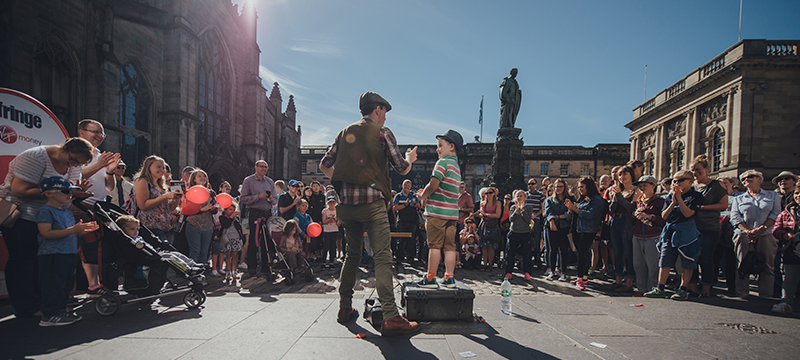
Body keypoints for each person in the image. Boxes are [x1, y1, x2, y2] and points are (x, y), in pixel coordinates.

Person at [319, 91, 420, 335]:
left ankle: (344, 308)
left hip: (346, 207)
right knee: (383, 257)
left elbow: (324, 165)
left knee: (351, 256)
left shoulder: (345, 133)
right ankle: (391, 317)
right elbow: (402, 168)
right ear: (377, 109)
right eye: (384, 111)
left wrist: (345, 180)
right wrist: (410, 158)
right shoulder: (382, 132)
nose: (385, 117)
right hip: (373, 205)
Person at [0, 138, 93, 318]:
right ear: (64, 149)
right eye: (73, 160)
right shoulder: (36, 157)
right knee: (23, 260)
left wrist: (74, 193)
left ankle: (45, 304)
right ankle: (25, 307)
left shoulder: (73, 165)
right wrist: (59, 191)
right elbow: (19, 190)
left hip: (51, 217)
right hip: (23, 216)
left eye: (79, 164)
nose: (74, 165)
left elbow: (67, 191)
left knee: (43, 263)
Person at [36, 176, 98, 326]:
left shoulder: (67, 212)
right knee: (53, 285)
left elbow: (71, 232)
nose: (69, 195)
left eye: (71, 192)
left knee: (67, 284)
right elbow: (46, 233)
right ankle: (50, 315)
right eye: (65, 191)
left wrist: (83, 230)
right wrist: (74, 229)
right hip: (53, 254)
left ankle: (61, 310)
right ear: (49, 193)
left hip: (68, 253)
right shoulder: (45, 211)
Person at [74, 120, 121, 298]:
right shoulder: (76, 152)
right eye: (95, 132)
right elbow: (73, 177)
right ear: (81, 132)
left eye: (102, 133)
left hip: (97, 207)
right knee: (82, 247)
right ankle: (77, 289)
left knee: (93, 247)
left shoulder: (100, 154)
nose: (99, 136)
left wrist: (109, 171)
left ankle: (94, 285)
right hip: (78, 205)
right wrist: (99, 165)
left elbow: (109, 186)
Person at [644, 170, 704, 301]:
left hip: (686, 230)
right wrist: (673, 202)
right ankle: (660, 287)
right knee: (665, 259)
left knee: (687, 260)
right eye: (675, 181)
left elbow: (688, 214)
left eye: (680, 180)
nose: (677, 183)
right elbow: (664, 215)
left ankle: (683, 289)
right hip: (670, 229)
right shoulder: (670, 196)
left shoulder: (695, 196)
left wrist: (680, 199)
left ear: (690, 181)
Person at [416, 129, 463, 288]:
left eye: (440, 145)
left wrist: (423, 196)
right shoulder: (456, 167)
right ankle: (449, 277)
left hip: (437, 213)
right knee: (450, 247)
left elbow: (433, 185)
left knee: (434, 246)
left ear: (451, 147)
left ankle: (430, 278)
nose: (437, 149)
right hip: (452, 215)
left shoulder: (442, 162)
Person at [730, 169, 782, 298]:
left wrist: (762, 229)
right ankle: (742, 292)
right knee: (742, 264)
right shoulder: (739, 198)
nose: (746, 180)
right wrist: (748, 231)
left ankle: (766, 294)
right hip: (743, 235)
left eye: (750, 177)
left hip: (767, 234)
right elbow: (735, 217)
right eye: (743, 179)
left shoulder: (773, 196)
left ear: (760, 178)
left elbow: (776, 214)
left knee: (768, 265)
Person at [690, 155, 729, 297]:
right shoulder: (691, 186)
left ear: (706, 169)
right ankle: (693, 289)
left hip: (710, 227)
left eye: (698, 169)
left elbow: (723, 205)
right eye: (693, 170)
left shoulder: (716, 185)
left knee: (706, 258)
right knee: (692, 258)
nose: (695, 172)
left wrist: (702, 207)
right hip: (692, 227)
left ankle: (706, 289)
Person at [130, 155, 181, 246]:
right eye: (158, 167)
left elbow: (169, 208)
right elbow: (143, 205)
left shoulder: (162, 186)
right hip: (149, 228)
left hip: (165, 227)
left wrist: (175, 199)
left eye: (163, 167)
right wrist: (165, 197)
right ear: (148, 167)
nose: (162, 170)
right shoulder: (142, 181)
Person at [239, 160, 277, 278]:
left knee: (266, 241)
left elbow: (275, 200)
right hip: (254, 214)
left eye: (266, 167)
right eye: (261, 167)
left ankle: (266, 267)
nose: (264, 169)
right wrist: (257, 197)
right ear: (256, 167)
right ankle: (252, 267)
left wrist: (270, 199)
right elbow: (243, 199)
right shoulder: (248, 181)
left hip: (267, 213)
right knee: (253, 241)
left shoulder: (270, 182)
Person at [565, 177, 604, 290]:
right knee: (581, 253)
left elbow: (590, 215)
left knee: (582, 253)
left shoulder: (596, 200)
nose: (580, 189)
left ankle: (580, 278)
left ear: (589, 186)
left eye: (582, 187)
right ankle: (584, 277)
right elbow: (576, 213)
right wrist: (571, 209)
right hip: (577, 228)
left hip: (587, 230)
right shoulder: (583, 199)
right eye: (579, 187)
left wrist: (575, 209)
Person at [606, 166, 639, 293]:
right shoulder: (618, 190)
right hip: (615, 221)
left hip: (627, 222)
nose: (622, 177)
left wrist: (618, 196)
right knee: (617, 252)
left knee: (628, 253)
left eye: (625, 174)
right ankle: (618, 280)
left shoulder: (636, 190)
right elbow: (613, 209)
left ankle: (629, 281)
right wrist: (615, 196)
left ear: (631, 175)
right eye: (620, 175)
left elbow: (631, 208)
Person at [630, 175, 666, 294]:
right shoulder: (638, 202)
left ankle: (653, 289)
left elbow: (664, 220)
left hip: (653, 236)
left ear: (653, 186)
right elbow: (631, 220)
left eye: (644, 185)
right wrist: (635, 214)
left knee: (653, 265)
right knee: (638, 264)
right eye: (640, 186)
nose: (642, 188)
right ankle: (641, 288)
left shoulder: (660, 201)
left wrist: (650, 216)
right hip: (637, 235)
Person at [771, 187, 800, 313]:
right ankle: (786, 302)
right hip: (791, 250)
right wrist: (784, 235)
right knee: (790, 278)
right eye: (797, 193)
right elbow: (776, 229)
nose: (798, 196)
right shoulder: (787, 212)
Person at [183, 169, 217, 264]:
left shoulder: (211, 192)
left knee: (204, 252)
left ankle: (201, 274)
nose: (203, 178)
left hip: (208, 225)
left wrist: (214, 208)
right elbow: (185, 209)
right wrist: (202, 209)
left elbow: (215, 208)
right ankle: (193, 275)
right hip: (194, 224)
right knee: (195, 251)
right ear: (194, 179)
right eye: (199, 176)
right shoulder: (189, 191)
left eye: (204, 176)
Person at [544, 179, 575, 282]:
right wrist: (552, 222)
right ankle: (552, 271)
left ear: (564, 187)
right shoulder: (550, 199)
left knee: (563, 250)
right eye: (557, 187)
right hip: (551, 226)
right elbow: (548, 212)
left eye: (561, 186)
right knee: (552, 249)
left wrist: (558, 216)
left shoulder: (569, 199)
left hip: (564, 227)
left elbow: (570, 214)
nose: (558, 189)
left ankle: (563, 272)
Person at [503, 190, 534, 280]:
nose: (519, 197)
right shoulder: (513, 207)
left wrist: (522, 210)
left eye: (521, 196)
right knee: (510, 253)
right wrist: (516, 210)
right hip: (514, 232)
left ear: (525, 197)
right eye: (517, 196)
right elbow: (511, 219)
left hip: (525, 233)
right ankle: (508, 272)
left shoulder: (529, 208)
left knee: (526, 254)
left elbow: (528, 220)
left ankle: (527, 272)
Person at [393, 179, 420, 263]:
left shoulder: (413, 195)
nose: (407, 187)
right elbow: (395, 208)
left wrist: (414, 203)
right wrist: (405, 205)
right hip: (401, 221)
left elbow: (419, 205)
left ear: (410, 186)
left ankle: (410, 258)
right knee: (400, 241)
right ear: (402, 186)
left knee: (411, 241)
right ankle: (399, 258)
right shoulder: (398, 196)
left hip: (412, 221)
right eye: (405, 185)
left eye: (408, 185)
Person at [478, 187, 502, 272]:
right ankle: (484, 264)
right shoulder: (483, 203)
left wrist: (486, 214)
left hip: (493, 225)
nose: (488, 195)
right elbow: (481, 214)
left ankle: (490, 264)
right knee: (484, 246)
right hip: (484, 224)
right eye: (487, 193)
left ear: (494, 194)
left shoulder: (498, 203)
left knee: (491, 246)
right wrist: (482, 214)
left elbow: (497, 215)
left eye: (490, 193)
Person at [219, 201, 244, 281]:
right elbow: (226, 225)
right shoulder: (222, 218)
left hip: (235, 237)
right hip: (227, 238)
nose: (232, 211)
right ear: (225, 210)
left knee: (235, 255)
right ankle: (228, 272)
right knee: (228, 255)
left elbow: (239, 227)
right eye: (230, 209)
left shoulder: (236, 218)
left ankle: (235, 271)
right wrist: (230, 218)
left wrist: (235, 219)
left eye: (233, 209)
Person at [526, 178, 546, 268]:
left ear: (536, 185)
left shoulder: (540, 195)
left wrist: (535, 215)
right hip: (526, 220)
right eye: (529, 184)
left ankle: (537, 258)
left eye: (533, 183)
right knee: (528, 239)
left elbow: (542, 209)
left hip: (536, 219)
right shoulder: (525, 195)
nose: (531, 185)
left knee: (536, 238)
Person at [321, 196, 340, 270]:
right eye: (330, 202)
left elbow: (339, 224)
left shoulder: (337, 211)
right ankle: (323, 262)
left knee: (333, 246)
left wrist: (336, 220)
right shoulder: (325, 211)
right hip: (327, 231)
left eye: (333, 202)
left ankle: (332, 262)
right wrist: (331, 219)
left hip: (334, 230)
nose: (332, 204)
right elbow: (324, 221)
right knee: (326, 246)